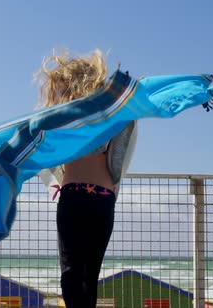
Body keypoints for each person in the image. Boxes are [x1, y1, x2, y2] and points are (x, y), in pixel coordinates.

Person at [37, 49, 138, 308]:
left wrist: (54, 185)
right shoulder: (108, 117)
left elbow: (40, 154)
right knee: (86, 277)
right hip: (102, 198)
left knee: (73, 275)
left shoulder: (61, 119)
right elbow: (120, 156)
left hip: (76, 197)